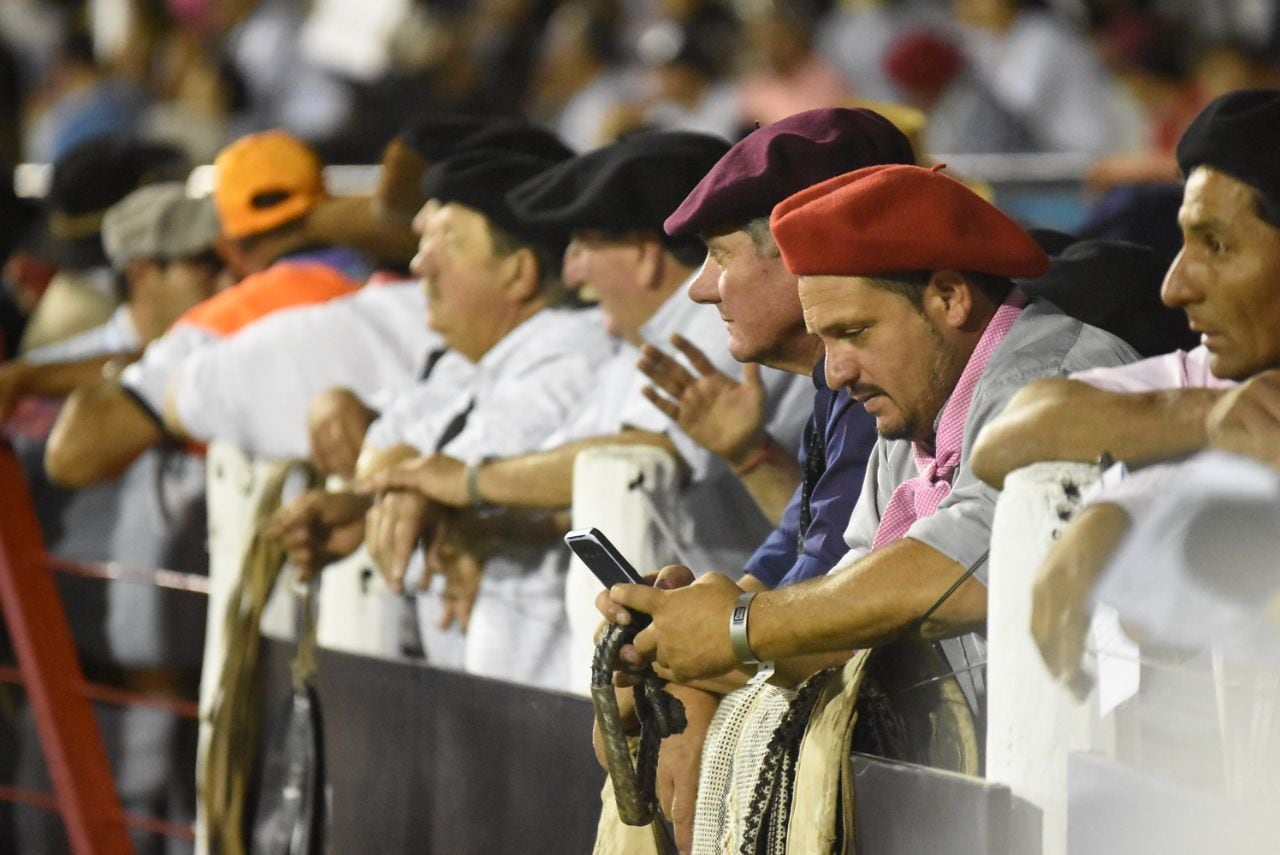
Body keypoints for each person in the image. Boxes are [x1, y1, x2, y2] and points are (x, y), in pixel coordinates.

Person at [603, 162, 1136, 711]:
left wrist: (739, 625)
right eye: (824, 340)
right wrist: (677, 650)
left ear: (950, 295)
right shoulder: (910, 414)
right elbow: (848, 622)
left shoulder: (1054, 381)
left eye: (854, 333)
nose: (835, 374)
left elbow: (961, 570)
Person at [357, 131, 813, 690]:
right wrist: (484, 527)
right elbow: (578, 474)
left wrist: (466, 483)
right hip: (711, 645)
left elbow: (637, 458)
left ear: (646, 257)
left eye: (586, 246)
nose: (571, 275)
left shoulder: (714, 326)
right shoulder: (641, 344)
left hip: (750, 653)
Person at [596, 106, 913, 850]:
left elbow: (821, 619)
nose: (702, 289)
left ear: (803, 252)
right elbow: (788, 575)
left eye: (719, 256)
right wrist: (679, 641)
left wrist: (700, 669)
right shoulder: (838, 387)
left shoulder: (887, 381)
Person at [270, 142, 617, 691]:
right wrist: (368, 500)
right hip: (492, 692)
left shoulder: (575, 350)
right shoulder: (474, 360)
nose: (418, 264)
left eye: (448, 243)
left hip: (553, 704)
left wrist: (416, 490)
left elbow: (457, 470)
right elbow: (393, 445)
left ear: (519, 273)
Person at [967, 88, 1280, 688]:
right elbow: (1008, 433)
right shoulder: (1222, 379)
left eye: (1216, 245)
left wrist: (1129, 509)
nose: (1175, 286)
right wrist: (1204, 423)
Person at [44, 129, 365, 487]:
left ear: (231, 246)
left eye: (217, 261)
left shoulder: (219, 327)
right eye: (205, 265)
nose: (224, 281)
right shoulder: (399, 292)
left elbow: (70, 455)